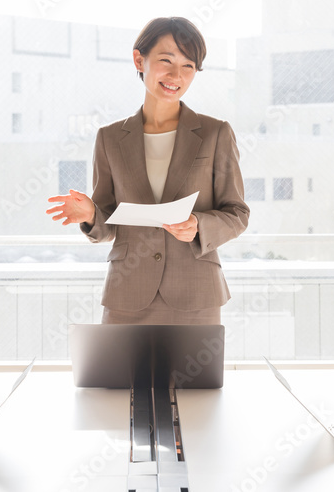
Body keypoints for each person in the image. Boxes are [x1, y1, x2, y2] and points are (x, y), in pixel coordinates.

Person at [46, 17, 249, 324]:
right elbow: (108, 223)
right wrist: (91, 215)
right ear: (139, 59)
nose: (175, 75)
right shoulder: (110, 138)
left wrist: (198, 225)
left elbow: (237, 213)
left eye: (188, 66)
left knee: (193, 374)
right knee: (119, 374)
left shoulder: (215, 133)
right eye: (166, 60)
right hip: (127, 294)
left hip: (196, 293)